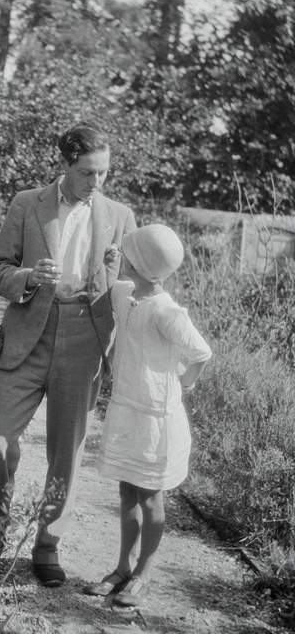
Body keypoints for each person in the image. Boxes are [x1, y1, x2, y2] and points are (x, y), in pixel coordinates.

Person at [0, 123, 136, 586]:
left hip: (84, 338)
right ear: (65, 165)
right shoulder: (27, 203)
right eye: (88, 172)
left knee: (66, 452)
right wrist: (28, 276)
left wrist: (113, 280)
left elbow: (129, 287)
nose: (97, 183)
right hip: (28, 332)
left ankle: (47, 547)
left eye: (104, 172)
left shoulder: (121, 216)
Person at [83, 223, 212, 606]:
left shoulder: (168, 312)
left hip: (156, 419)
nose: (120, 257)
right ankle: (123, 565)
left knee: (152, 498)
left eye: (126, 254)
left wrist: (184, 382)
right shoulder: (128, 293)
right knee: (126, 491)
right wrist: (110, 264)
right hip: (127, 410)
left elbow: (201, 353)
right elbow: (112, 288)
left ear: (138, 265)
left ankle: (144, 573)